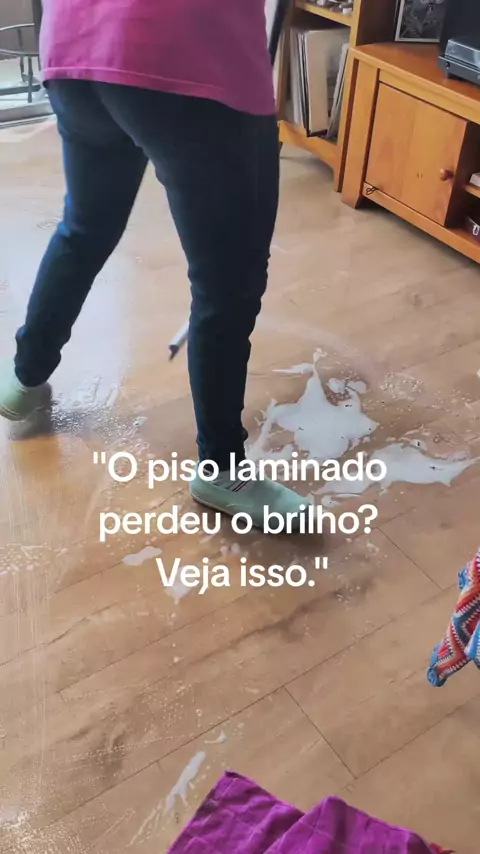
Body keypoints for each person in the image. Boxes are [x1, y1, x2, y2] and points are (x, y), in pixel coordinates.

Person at [0, 0, 310, 528]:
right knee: (226, 283)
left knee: (86, 226)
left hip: (76, 42)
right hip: (186, 52)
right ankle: (222, 470)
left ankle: (25, 376)